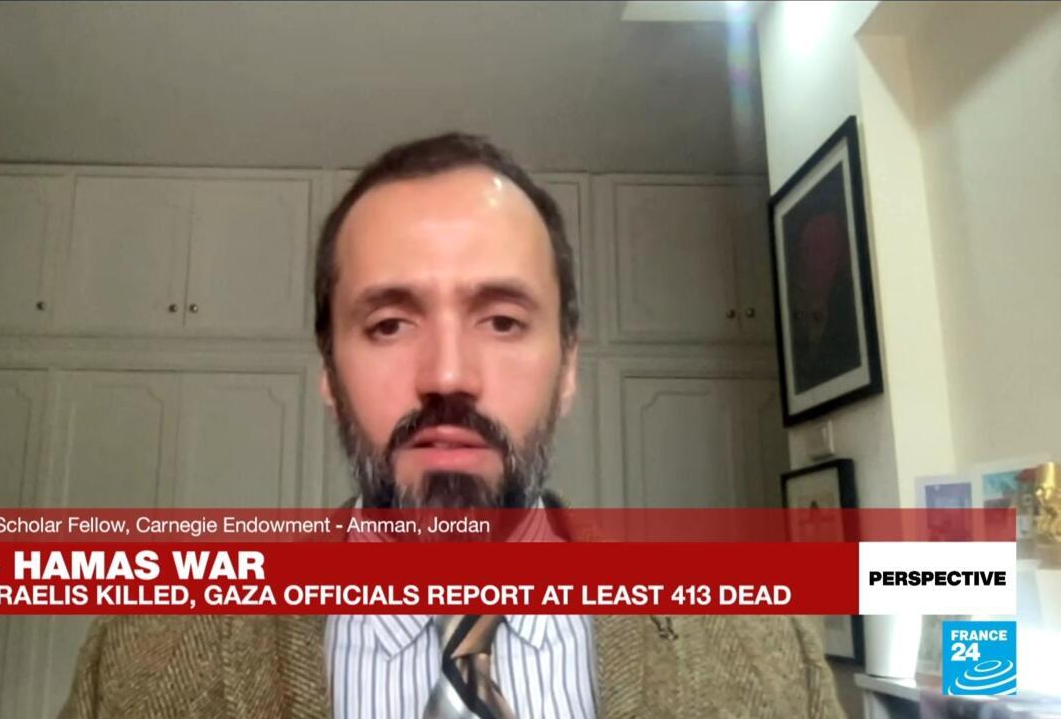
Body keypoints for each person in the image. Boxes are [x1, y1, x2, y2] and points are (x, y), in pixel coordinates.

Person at [61, 133, 845, 718]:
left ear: (569, 366)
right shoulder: (140, 659)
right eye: (390, 324)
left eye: (502, 321)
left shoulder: (766, 651)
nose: (447, 375)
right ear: (329, 372)